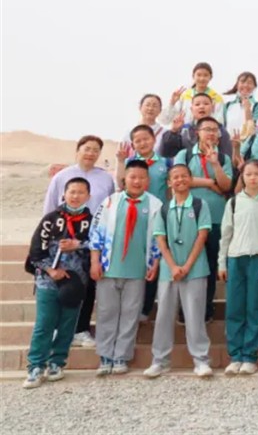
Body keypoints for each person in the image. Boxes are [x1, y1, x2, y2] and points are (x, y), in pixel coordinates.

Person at [42, 135, 115, 346]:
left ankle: (81, 329)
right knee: (62, 284)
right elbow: (49, 209)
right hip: (64, 238)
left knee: (88, 285)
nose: (91, 153)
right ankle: (58, 328)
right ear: (78, 150)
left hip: (93, 238)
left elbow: (110, 208)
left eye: (95, 150)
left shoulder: (105, 179)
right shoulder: (62, 177)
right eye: (87, 148)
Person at [89, 161, 161, 376]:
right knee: (106, 312)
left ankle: (121, 356)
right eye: (133, 177)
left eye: (141, 177)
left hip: (137, 270)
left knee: (131, 313)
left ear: (148, 181)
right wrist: (94, 261)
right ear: (124, 179)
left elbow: (158, 239)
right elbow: (96, 233)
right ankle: (105, 355)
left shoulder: (155, 205)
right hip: (108, 268)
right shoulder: (110, 202)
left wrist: (155, 263)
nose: (137, 181)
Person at [23, 177, 92, 389]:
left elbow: (100, 245)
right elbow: (36, 251)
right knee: (44, 323)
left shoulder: (92, 221)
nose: (76, 196)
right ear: (64, 194)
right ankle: (36, 366)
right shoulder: (50, 219)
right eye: (72, 191)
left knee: (67, 324)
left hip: (75, 282)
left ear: (88, 196)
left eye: (81, 192)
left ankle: (57, 362)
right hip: (48, 280)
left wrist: (78, 244)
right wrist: (51, 270)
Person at [145, 164, 213, 378]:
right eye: (175, 177)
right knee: (164, 315)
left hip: (195, 268)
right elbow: (160, 240)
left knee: (194, 315)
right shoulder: (163, 209)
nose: (180, 180)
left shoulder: (200, 205)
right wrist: (173, 266)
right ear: (169, 182)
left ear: (191, 179)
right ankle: (160, 360)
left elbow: (202, 237)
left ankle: (201, 360)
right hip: (169, 270)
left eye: (184, 176)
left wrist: (187, 265)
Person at [218, 159, 258, 375]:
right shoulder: (234, 202)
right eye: (248, 174)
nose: (252, 178)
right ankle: (235, 355)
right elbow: (226, 234)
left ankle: (250, 356)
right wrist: (222, 262)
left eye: (256, 174)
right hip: (236, 258)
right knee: (235, 307)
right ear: (242, 177)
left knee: (255, 307)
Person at [169, 117, 233, 323]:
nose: (211, 133)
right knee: (187, 261)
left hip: (215, 218)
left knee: (211, 265)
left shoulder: (223, 158)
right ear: (197, 132)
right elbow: (180, 180)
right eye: (207, 129)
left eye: (215, 130)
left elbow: (226, 186)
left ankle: (206, 308)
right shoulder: (185, 154)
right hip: (188, 217)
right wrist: (209, 183)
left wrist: (215, 164)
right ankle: (184, 309)